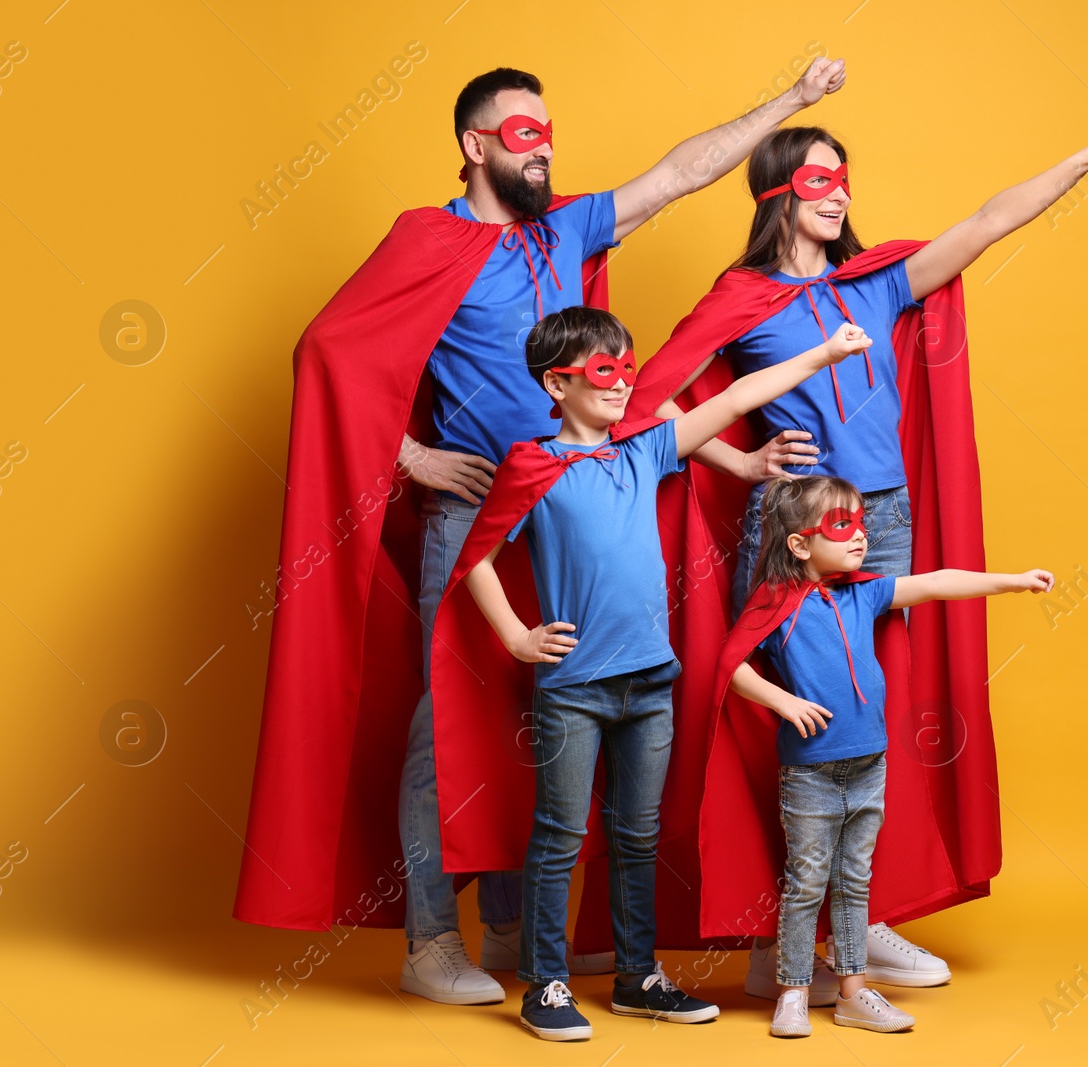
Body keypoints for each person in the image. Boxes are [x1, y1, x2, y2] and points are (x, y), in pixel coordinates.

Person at [232, 59, 850, 1006]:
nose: (545, 146)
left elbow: (679, 174)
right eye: (524, 132)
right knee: (445, 725)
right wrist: (413, 458)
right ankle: (433, 939)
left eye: (549, 130)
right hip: (474, 517)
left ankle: (526, 934)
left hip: (570, 515)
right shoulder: (427, 239)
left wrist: (794, 103)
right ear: (476, 145)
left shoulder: (564, 227)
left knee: (543, 718)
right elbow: (328, 351)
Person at [627, 119, 1088, 997]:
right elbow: (648, 403)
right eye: (819, 181)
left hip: (885, 520)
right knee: (786, 721)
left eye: (845, 180)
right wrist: (742, 460)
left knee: (869, 710)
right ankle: (774, 940)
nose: (839, 194)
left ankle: (861, 922)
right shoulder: (743, 296)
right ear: (776, 195)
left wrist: (1086, 158)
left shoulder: (876, 285)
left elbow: (987, 222)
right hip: (796, 521)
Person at [456, 308, 873, 1040]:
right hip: (573, 689)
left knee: (637, 834)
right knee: (559, 832)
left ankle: (636, 976)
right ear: (557, 383)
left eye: (626, 364)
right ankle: (545, 982)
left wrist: (822, 353)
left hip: (651, 684)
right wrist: (519, 636)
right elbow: (477, 562)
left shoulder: (644, 449)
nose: (622, 382)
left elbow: (735, 401)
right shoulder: (533, 464)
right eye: (602, 370)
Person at [717, 475, 1053, 1035]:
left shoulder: (863, 591)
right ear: (799, 543)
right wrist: (782, 701)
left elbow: (936, 583)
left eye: (861, 525)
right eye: (841, 525)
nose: (860, 537)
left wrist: (1012, 582)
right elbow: (729, 664)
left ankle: (853, 992)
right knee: (806, 882)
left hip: (870, 765)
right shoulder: (776, 602)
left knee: (854, 882)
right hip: (810, 772)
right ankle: (794, 992)